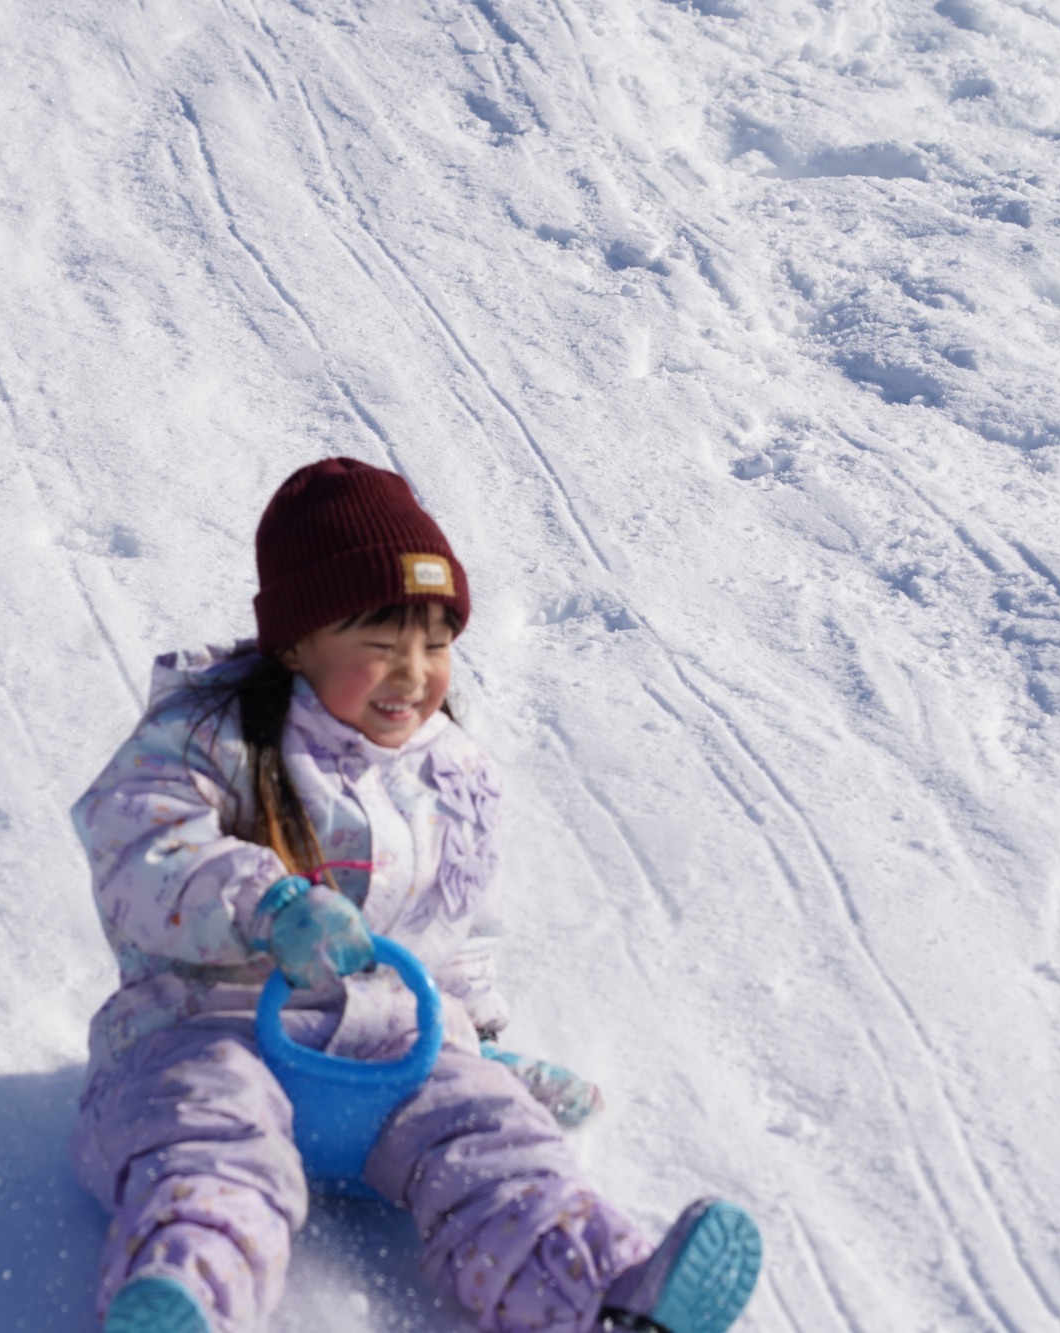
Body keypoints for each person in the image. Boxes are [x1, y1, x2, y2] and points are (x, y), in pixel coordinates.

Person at [68, 458, 761, 1333]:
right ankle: (185, 1297)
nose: (413, 673)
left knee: (493, 1141)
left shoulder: (451, 768)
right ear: (295, 642)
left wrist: (486, 1043)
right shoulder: (211, 733)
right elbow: (139, 840)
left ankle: (606, 1296)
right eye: (379, 643)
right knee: (214, 1139)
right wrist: (268, 906)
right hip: (214, 1025)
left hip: (398, 1043)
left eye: (435, 643)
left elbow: (459, 920)